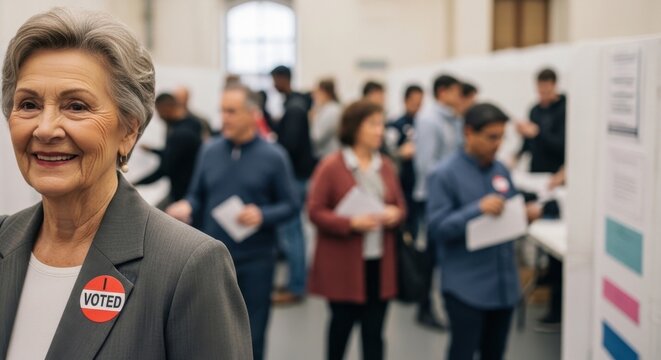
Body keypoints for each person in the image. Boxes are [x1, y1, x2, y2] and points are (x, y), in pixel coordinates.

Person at [0, 8, 251, 359]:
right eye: (28, 104)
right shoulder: (4, 242)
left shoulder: (187, 267)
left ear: (129, 129)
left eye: (76, 106)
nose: (45, 128)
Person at [167, 84, 299, 360]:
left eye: (231, 111)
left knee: (253, 333)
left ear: (253, 114)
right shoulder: (209, 151)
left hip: (256, 260)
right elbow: (197, 195)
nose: (224, 118)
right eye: (222, 111)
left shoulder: (274, 157)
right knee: (208, 334)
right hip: (211, 258)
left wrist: (263, 215)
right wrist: (186, 205)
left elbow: (291, 205)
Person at [427, 103, 541, 360]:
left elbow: (509, 217)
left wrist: (525, 215)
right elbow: (437, 229)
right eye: (491, 137)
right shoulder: (444, 174)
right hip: (466, 288)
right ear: (469, 132)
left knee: (495, 353)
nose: (498, 144)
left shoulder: (500, 170)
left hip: (503, 287)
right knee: (463, 353)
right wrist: (476, 209)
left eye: (502, 137)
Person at [307, 100, 406, 360]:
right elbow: (315, 211)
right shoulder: (331, 166)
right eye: (373, 124)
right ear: (354, 127)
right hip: (344, 266)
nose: (379, 131)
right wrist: (351, 223)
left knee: (374, 335)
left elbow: (400, 206)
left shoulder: (384, 165)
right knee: (340, 330)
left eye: (381, 124)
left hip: (379, 263)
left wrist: (394, 214)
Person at [516, 68, 567, 332]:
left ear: (554, 86)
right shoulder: (535, 109)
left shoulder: (565, 109)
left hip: (559, 184)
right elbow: (530, 145)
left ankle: (556, 307)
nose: (543, 93)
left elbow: (562, 145)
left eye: (547, 88)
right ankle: (544, 285)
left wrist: (536, 133)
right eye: (540, 89)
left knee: (557, 246)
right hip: (538, 181)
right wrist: (519, 148)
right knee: (542, 241)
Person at [412, 74, 463, 330]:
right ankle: (425, 308)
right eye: (455, 91)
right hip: (432, 198)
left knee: (444, 256)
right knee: (430, 257)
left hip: (450, 197)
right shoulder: (429, 120)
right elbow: (426, 165)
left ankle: (443, 307)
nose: (459, 96)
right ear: (442, 92)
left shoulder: (454, 119)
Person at [270, 65, 313, 304]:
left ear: (282, 79)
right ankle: (294, 282)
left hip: (295, 177)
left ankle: (296, 286)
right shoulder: (294, 105)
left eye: (275, 80)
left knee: (293, 232)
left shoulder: (295, 108)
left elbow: (290, 145)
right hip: (298, 175)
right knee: (293, 231)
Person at [134, 92, 203, 209]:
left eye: (159, 111)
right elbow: (177, 154)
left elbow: (164, 168)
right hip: (190, 190)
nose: (159, 116)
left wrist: (135, 183)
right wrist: (153, 150)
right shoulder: (193, 123)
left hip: (183, 195)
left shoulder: (179, 134)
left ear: (168, 108)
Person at [384, 84, 423, 239]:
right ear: (406, 101)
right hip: (403, 180)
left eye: (420, 102)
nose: (417, 106)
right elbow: (388, 153)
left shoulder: (423, 123)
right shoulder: (396, 125)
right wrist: (400, 153)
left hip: (418, 180)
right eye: (414, 102)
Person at [310, 78, 342, 160]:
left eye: (316, 92)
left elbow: (317, 137)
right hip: (327, 155)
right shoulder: (326, 109)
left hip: (329, 155)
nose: (314, 96)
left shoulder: (332, 110)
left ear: (324, 92)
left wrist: (312, 119)